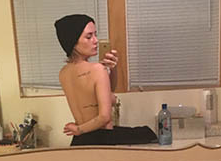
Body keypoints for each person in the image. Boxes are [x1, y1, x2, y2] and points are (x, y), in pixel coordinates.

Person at [54, 14, 157, 146]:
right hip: (101, 139)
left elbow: (105, 93)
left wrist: (112, 70)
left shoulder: (63, 73)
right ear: (73, 42)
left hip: (79, 141)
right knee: (148, 133)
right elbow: (104, 117)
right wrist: (79, 129)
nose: (96, 40)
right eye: (89, 37)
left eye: (95, 35)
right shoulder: (97, 69)